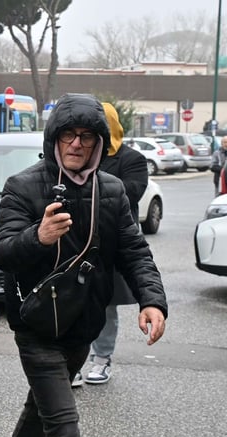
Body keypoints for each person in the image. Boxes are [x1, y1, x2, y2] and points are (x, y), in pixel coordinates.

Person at [0, 93, 166, 437]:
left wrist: (152, 300)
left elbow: (133, 250)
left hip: (83, 324)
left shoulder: (111, 189)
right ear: (54, 139)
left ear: (99, 143)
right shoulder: (24, 185)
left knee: (42, 410)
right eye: (68, 135)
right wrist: (38, 236)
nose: (76, 144)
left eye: (87, 136)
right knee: (63, 425)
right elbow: (2, 251)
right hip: (36, 325)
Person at [72, 103, 149, 387]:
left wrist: (87, 186)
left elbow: (130, 193)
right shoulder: (79, 154)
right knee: (72, 303)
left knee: (105, 305)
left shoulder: (132, 159)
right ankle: (73, 361)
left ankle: (102, 358)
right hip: (77, 242)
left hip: (111, 245)